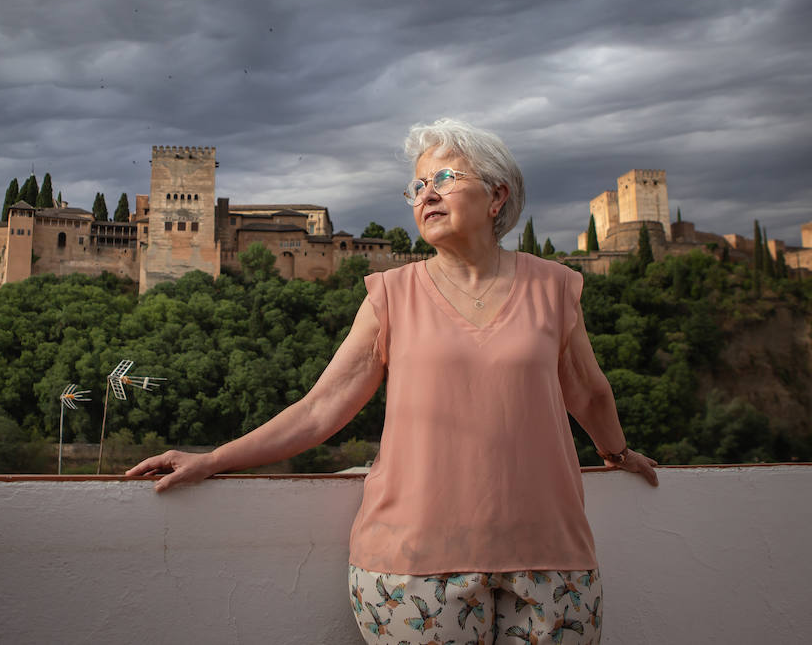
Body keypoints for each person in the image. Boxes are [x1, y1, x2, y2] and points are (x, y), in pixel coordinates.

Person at [128, 118, 658, 643]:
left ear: (497, 197)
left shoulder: (555, 286)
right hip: (412, 566)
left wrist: (617, 452)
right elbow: (321, 408)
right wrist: (213, 459)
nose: (426, 194)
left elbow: (587, 390)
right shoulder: (391, 294)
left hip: (553, 556)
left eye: (444, 179)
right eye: (418, 186)